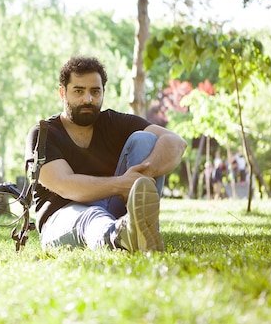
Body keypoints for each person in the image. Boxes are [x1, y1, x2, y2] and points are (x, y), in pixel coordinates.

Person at [25, 56, 187, 253]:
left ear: (103, 92)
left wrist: (144, 174)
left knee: (146, 140)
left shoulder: (114, 122)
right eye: (78, 91)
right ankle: (120, 237)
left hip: (115, 210)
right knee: (92, 216)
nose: (88, 99)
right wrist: (122, 184)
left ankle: (138, 228)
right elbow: (65, 185)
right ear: (62, 93)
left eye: (95, 91)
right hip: (63, 218)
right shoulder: (43, 134)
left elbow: (176, 142)